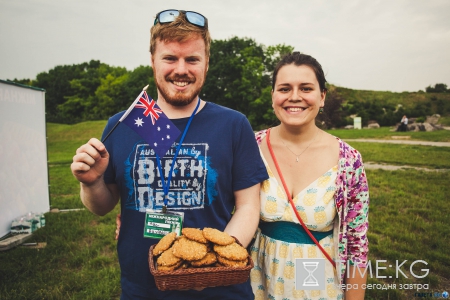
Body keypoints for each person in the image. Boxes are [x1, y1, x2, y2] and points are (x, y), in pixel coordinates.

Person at [71, 9, 268, 300]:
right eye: (170, 58)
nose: (181, 69)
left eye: (192, 59)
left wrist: (212, 263)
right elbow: (102, 206)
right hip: (143, 287)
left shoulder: (233, 124)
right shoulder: (124, 124)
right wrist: (90, 183)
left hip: (220, 289)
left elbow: (249, 206)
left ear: (206, 63)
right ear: (153, 61)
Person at [249, 52, 369, 300]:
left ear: (322, 96)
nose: (294, 97)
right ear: (273, 95)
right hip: (257, 279)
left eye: (306, 88)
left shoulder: (348, 160)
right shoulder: (250, 146)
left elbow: (357, 246)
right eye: (284, 88)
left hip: (316, 281)